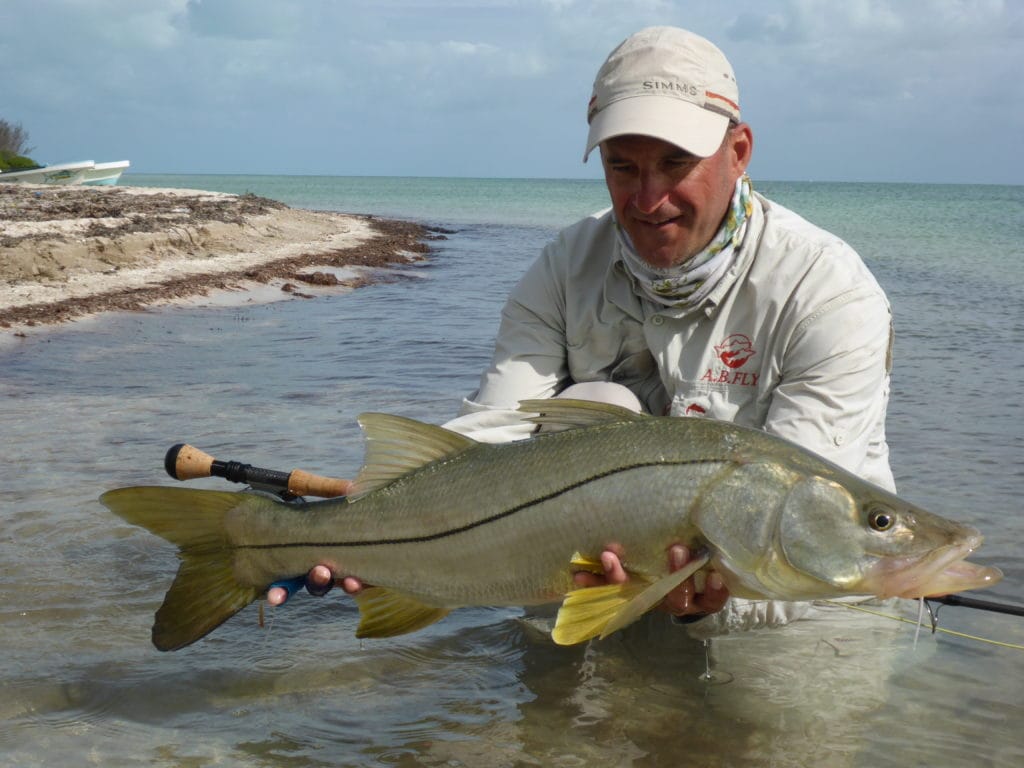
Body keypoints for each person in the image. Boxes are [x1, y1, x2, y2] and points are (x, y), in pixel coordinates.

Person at [270, 26, 895, 636]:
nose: (649, 200)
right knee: (599, 406)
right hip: (597, 591)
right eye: (623, 168)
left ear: (738, 153)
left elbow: (813, 539)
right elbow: (493, 429)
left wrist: (696, 600)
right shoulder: (565, 266)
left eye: (676, 163)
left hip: (799, 622)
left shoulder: (828, 291)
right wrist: (380, 528)